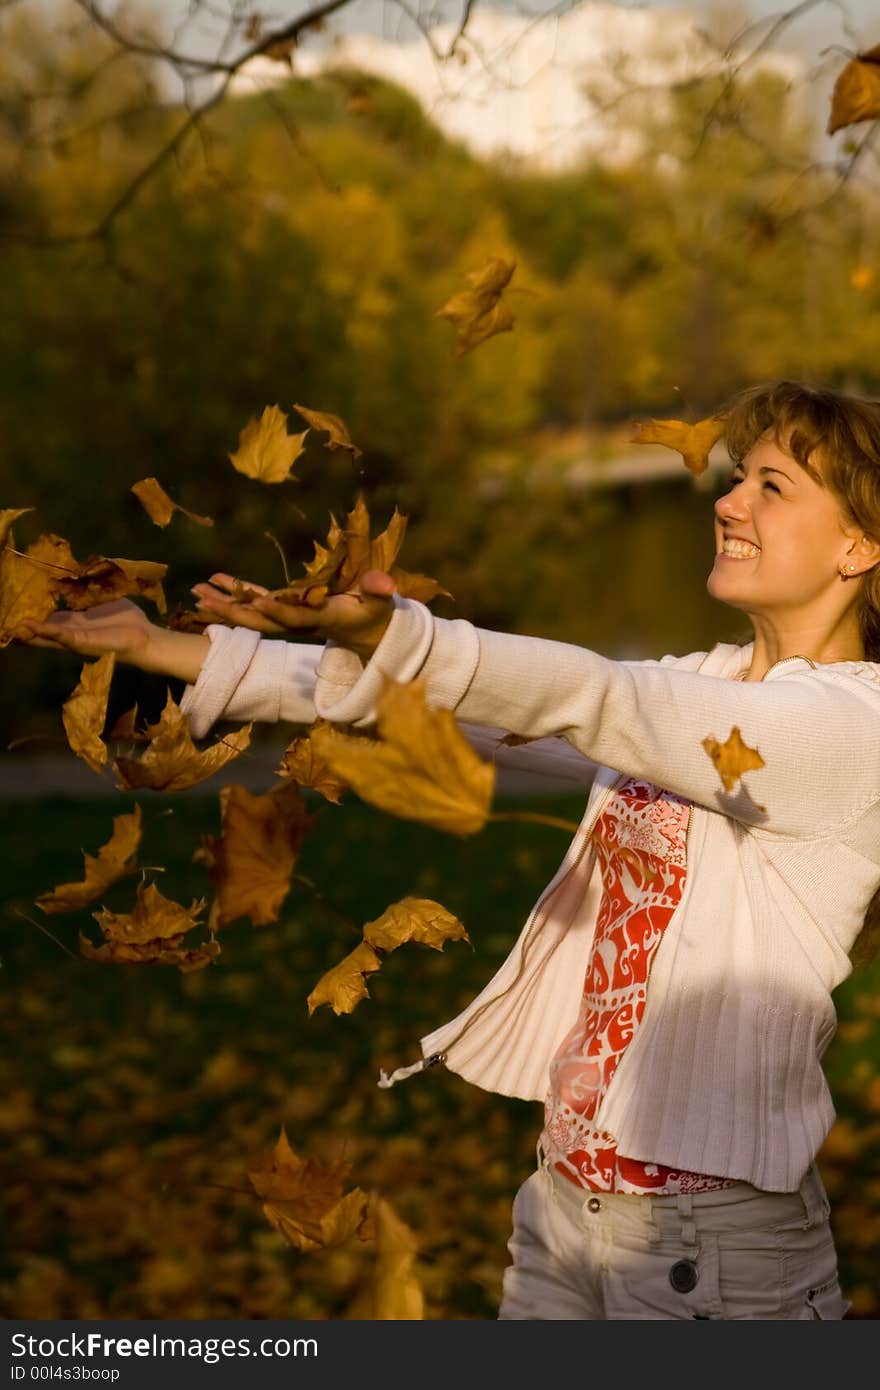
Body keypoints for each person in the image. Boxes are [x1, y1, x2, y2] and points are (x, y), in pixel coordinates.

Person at [20, 379, 880, 1320]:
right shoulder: (708, 684)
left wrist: (402, 631)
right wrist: (170, 650)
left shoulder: (848, 728)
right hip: (563, 1205)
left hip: (712, 1254)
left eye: (772, 486)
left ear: (859, 546)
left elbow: (593, 697)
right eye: (736, 478)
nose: (728, 501)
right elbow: (446, 712)